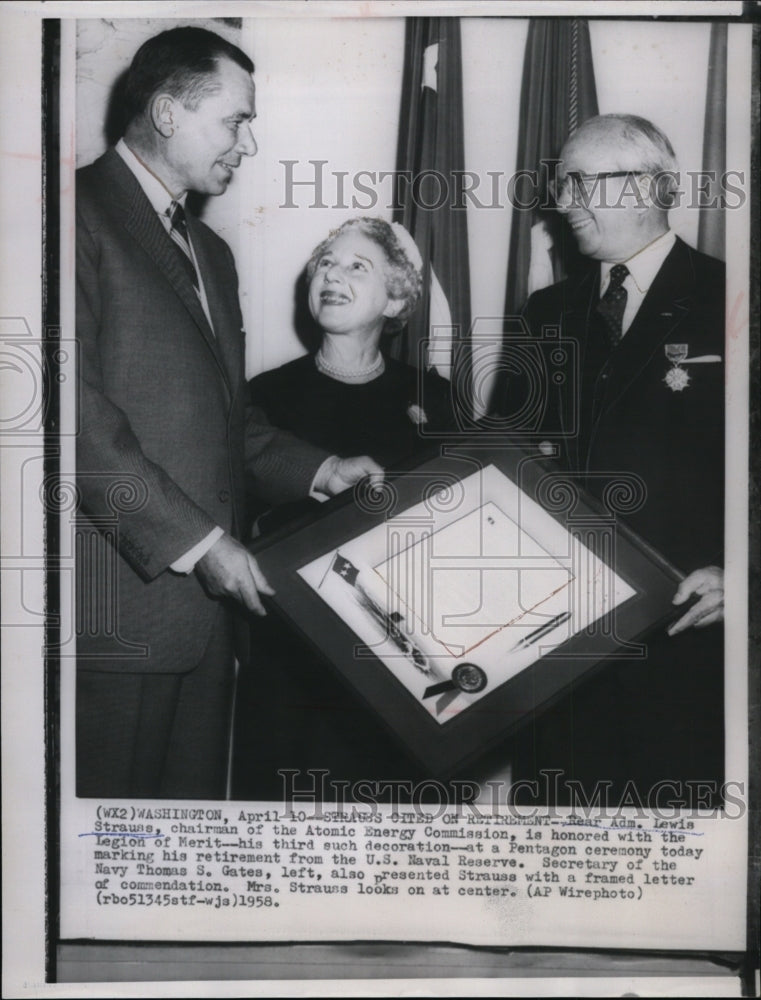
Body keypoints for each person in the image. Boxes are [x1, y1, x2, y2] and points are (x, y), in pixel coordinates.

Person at [75, 27, 381, 800]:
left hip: (208, 630)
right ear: (170, 112)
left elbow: (225, 418)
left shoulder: (210, 251)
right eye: (236, 120)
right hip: (116, 620)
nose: (247, 144)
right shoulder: (63, 216)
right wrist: (200, 542)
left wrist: (316, 468)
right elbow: (67, 419)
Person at [509, 114, 725, 806]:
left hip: (681, 651)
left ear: (641, 188)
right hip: (553, 659)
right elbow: (500, 457)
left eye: (576, 182)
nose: (560, 202)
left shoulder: (731, 297)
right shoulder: (545, 313)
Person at [232, 217, 454, 798]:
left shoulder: (436, 402)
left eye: (358, 266)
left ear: (398, 297)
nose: (332, 275)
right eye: (325, 263)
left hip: (402, 675)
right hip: (292, 669)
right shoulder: (262, 398)